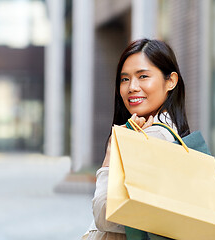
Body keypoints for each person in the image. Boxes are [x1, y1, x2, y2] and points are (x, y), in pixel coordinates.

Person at [82, 38, 190, 240]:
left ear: (171, 81)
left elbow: (106, 216)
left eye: (143, 76)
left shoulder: (155, 137)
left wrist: (111, 154)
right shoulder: (162, 133)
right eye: (124, 79)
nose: (132, 87)